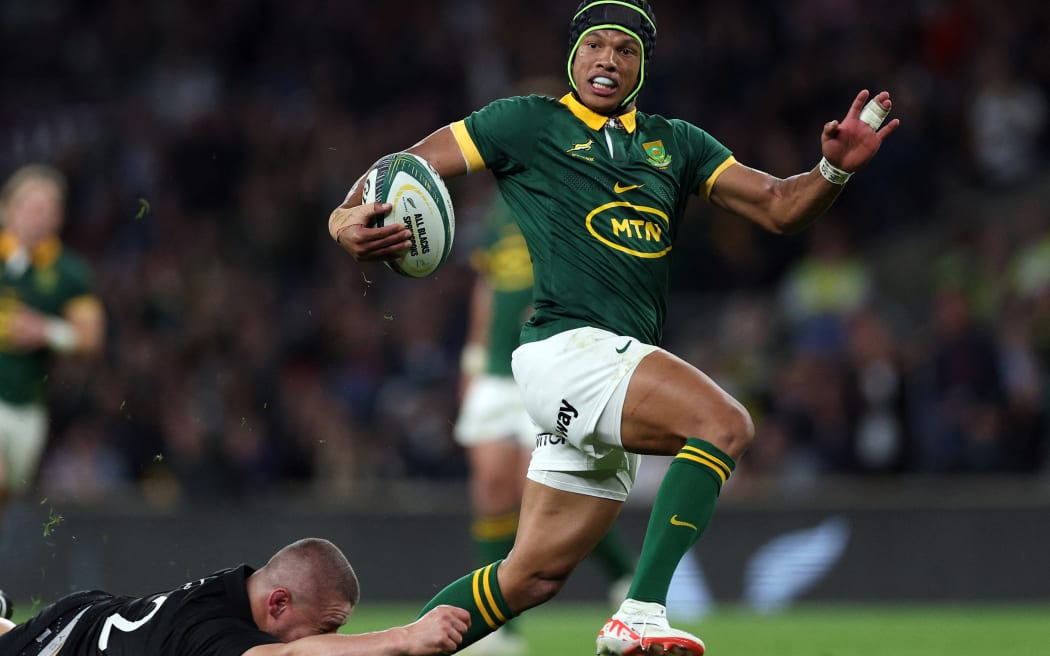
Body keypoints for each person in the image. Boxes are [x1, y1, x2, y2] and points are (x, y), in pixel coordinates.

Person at [328, 1, 898, 653]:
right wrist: (342, 219)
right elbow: (406, 167)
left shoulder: (678, 143)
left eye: (625, 50)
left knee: (529, 577)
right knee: (725, 424)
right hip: (569, 351)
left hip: (608, 368)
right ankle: (642, 612)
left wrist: (833, 170)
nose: (608, 58)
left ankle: (383, 651)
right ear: (572, 57)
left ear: (643, 67)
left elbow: (778, 207)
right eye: (595, 45)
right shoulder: (525, 122)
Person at [454, 193, 635, 655]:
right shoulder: (497, 208)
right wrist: (472, 359)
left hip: (548, 363)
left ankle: (623, 576)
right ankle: (499, 632)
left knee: (541, 489)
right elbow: (487, 286)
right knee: (492, 489)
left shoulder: (569, 195)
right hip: (496, 370)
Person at [0, 537, 470, 655]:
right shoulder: (215, 631)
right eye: (327, 629)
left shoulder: (236, 595)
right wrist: (404, 637)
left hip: (90, 617)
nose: (331, 641)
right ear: (279, 603)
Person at [0, 164, 106, 533]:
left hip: (28, 407)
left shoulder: (69, 272)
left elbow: (91, 340)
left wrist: (46, 330)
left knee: (4, 497)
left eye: (47, 208)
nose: (38, 216)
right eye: (30, 206)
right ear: (7, 209)